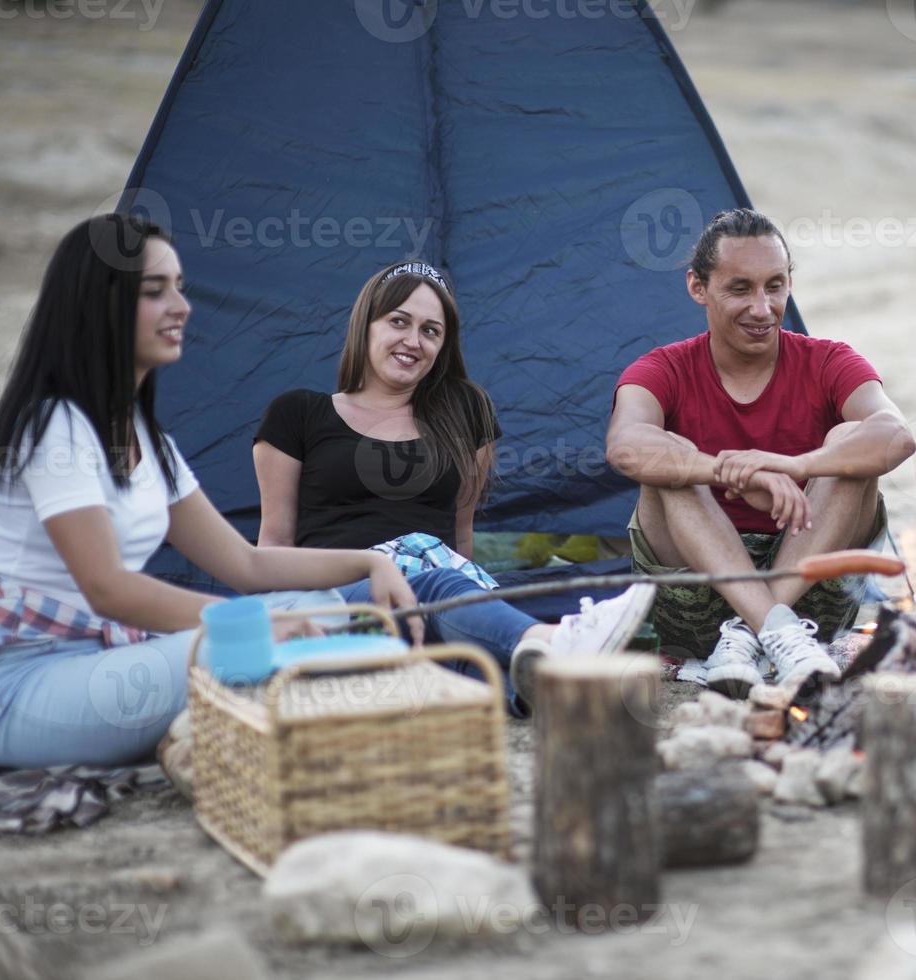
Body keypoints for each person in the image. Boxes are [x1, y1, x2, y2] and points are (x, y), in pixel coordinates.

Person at [0, 214, 428, 769]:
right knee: (261, 640)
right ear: (99, 305)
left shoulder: (149, 442)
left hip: (114, 660)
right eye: (155, 291)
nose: (181, 306)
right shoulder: (57, 425)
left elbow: (246, 564)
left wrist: (371, 563)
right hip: (27, 684)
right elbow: (107, 589)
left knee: (318, 607)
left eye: (179, 287)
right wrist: (257, 626)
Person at [253, 260, 654, 712]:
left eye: (430, 331)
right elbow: (273, 545)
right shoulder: (298, 414)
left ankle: (537, 690)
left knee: (464, 647)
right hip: (334, 599)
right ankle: (556, 639)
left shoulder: (463, 412)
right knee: (437, 583)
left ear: (443, 346)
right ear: (366, 325)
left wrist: (465, 612)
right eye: (399, 321)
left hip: (436, 602)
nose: (412, 341)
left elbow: (460, 536)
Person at [606, 209, 915, 697]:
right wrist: (732, 473)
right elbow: (626, 447)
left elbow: (897, 436)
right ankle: (772, 628)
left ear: (790, 282)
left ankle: (760, 632)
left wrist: (795, 466)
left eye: (774, 286)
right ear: (697, 287)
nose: (762, 307)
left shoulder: (829, 359)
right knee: (670, 456)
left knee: (849, 442)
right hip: (696, 604)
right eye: (740, 289)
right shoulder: (663, 367)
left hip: (811, 606)